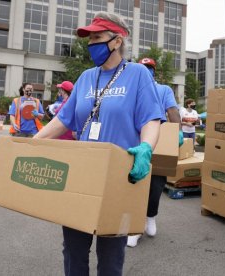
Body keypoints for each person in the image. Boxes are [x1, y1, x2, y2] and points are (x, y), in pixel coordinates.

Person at [34, 12, 162, 276]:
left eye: (97, 37)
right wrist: (31, 143)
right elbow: (63, 120)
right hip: (81, 176)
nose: (91, 43)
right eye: (89, 38)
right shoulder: (85, 78)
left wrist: (146, 148)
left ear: (117, 40)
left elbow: (151, 118)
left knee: (111, 255)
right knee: (73, 250)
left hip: (118, 178)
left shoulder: (137, 74)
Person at [126, 58, 182, 248]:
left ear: (154, 71)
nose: (147, 71)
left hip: (159, 140)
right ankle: (135, 227)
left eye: (150, 68)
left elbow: (172, 112)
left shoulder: (163, 89)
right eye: (143, 68)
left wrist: (177, 133)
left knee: (156, 184)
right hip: (135, 136)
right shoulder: (133, 87)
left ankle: (150, 216)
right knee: (134, 183)